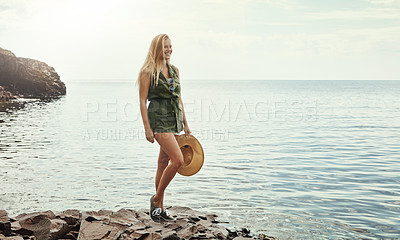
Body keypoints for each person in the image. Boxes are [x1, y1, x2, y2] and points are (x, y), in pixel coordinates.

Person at [137, 34, 191, 222]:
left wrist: (185, 123)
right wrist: (147, 128)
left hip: (174, 119)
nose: (168, 50)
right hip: (158, 119)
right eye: (165, 47)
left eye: (170, 46)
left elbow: (179, 98)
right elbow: (143, 102)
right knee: (178, 161)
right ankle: (156, 199)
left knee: (162, 162)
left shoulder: (175, 70)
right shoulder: (147, 71)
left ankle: (158, 209)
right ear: (157, 49)